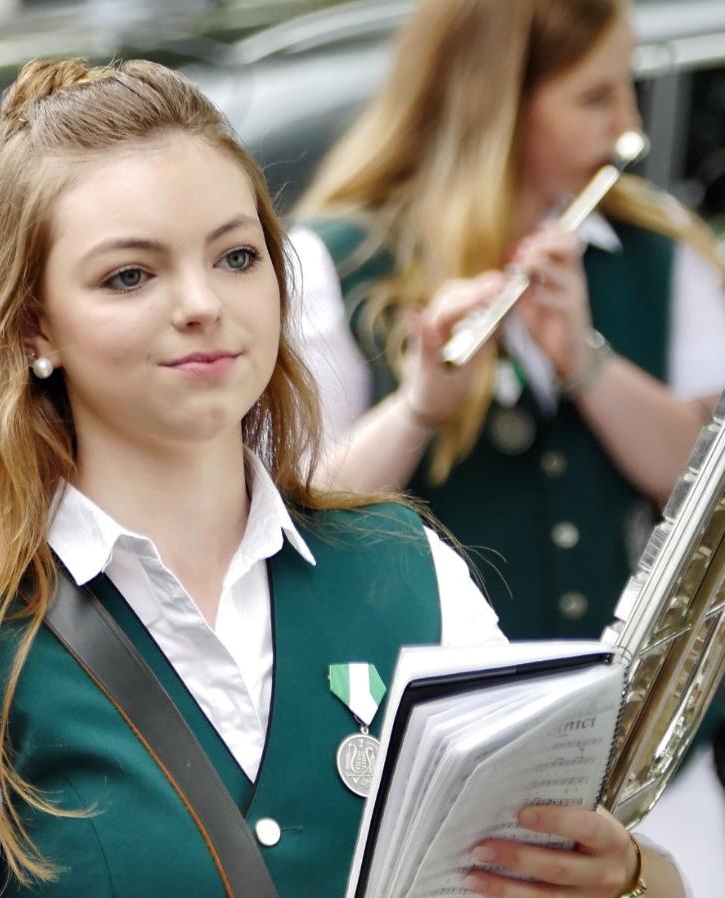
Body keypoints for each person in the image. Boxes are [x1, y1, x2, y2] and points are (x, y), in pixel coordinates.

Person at [0, 57, 683, 898]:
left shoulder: (405, 566)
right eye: (130, 274)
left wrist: (628, 874)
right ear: (35, 329)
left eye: (236, 256)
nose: (201, 304)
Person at [287, 0, 725, 884]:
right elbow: (301, 517)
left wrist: (586, 364)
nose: (629, 127)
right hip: (435, 774)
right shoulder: (331, 262)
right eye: (596, 98)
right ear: (498, 101)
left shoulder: (651, 253)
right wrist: (419, 405)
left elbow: (699, 487)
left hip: (650, 766)